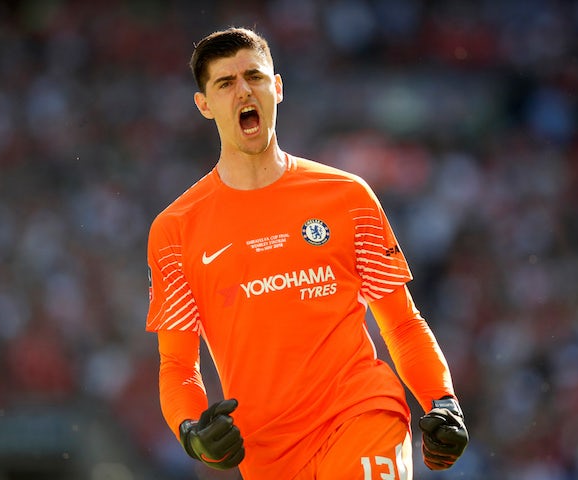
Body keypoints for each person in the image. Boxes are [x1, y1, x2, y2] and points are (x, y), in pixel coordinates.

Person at [145, 27, 468, 480]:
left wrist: (443, 401)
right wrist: (193, 432)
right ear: (204, 105)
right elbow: (178, 364)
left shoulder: (346, 196)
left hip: (361, 413)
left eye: (254, 77)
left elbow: (400, 321)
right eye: (225, 83)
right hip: (266, 453)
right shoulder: (176, 229)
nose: (243, 91)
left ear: (277, 87)